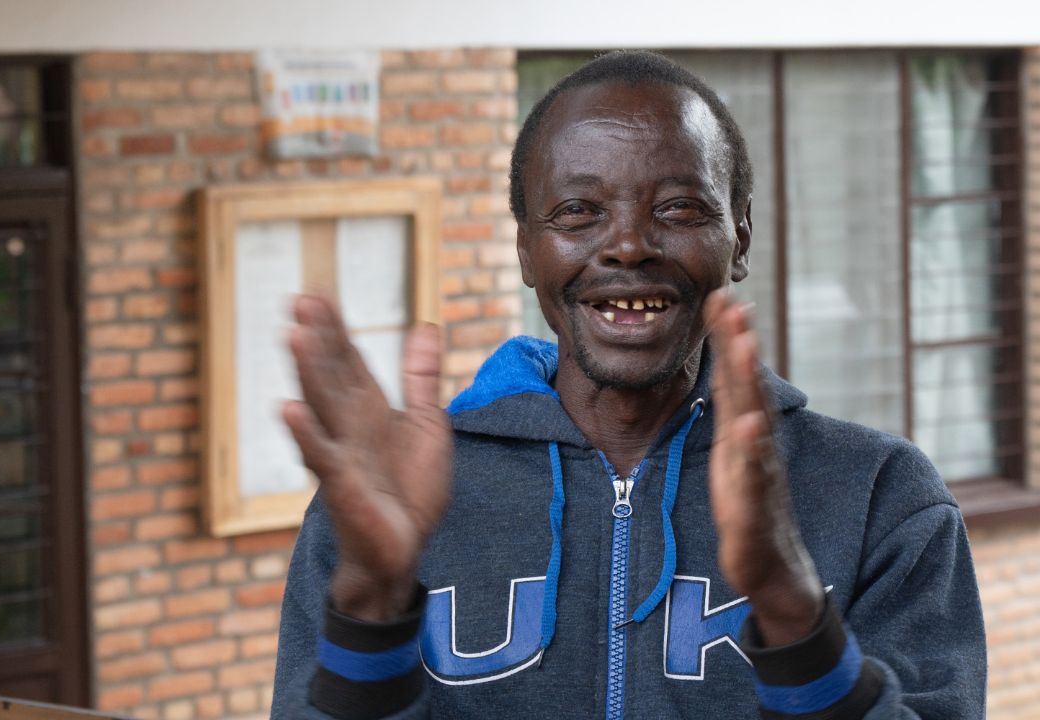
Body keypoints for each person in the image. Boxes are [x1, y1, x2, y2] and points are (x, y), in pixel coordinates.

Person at [270, 51, 985, 719]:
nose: (628, 246)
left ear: (739, 238)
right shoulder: (389, 501)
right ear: (527, 249)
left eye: (677, 208)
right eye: (578, 212)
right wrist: (371, 603)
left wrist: (789, 606)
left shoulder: (879, 495)